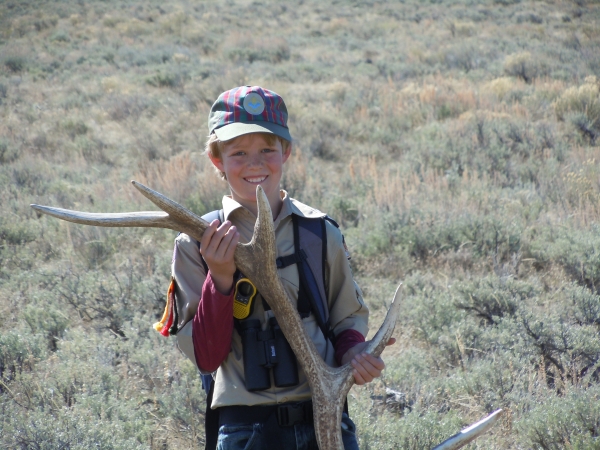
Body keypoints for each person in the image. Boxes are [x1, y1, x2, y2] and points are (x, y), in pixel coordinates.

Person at [171, 86, 395, 450]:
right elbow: (206, 357)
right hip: (245, 429)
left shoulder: (319, 232)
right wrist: (221, 279)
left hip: (324, 417)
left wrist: (354, 353)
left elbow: (345, 320)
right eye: (239, 152)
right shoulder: (196, 243)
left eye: (267, 150)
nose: (255, 163)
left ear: (286, 152)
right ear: (217, 160)